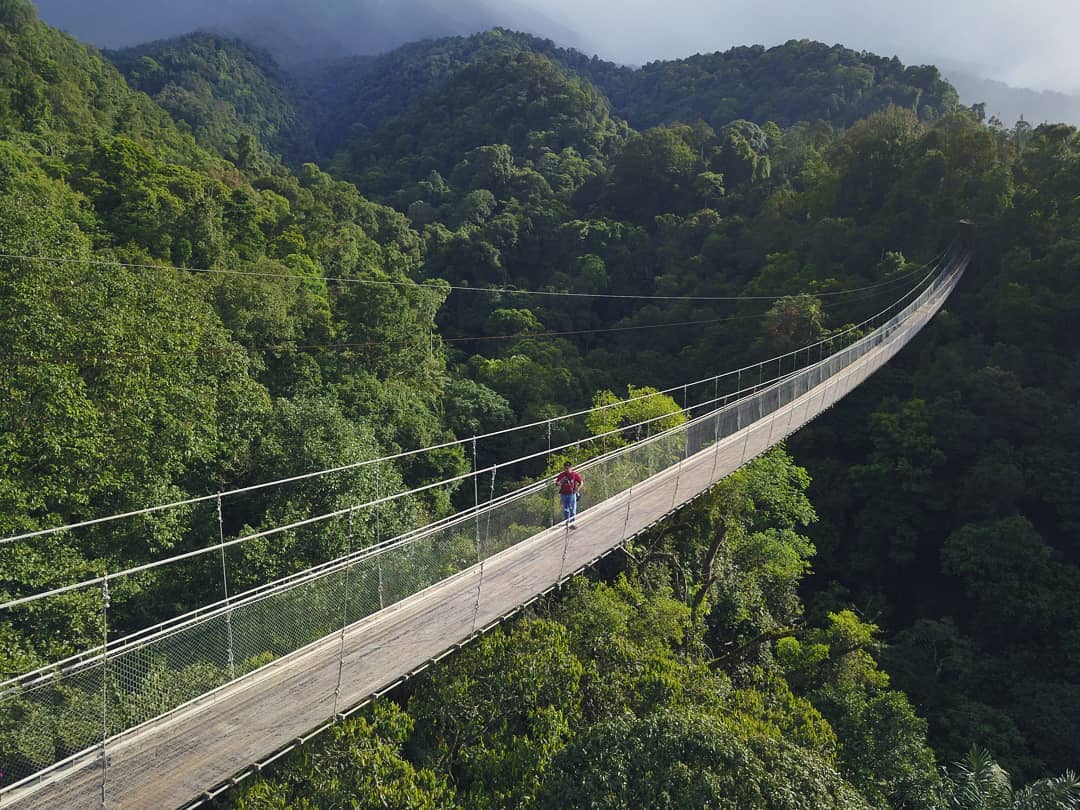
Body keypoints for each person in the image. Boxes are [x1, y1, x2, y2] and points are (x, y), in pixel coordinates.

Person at [554, 461, 583, 529]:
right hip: (563, 494)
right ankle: (567, 522)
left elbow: (581, 482)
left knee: (572, 509)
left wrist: (577, 489)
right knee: (566, 509)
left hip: (572, 494)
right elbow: (556, 484)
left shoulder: (574, 474)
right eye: (565, 468)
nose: (566, 470)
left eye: (567, 468)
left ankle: (572, 523)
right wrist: (561, 481)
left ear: (570, 468)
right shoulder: (562, 475)